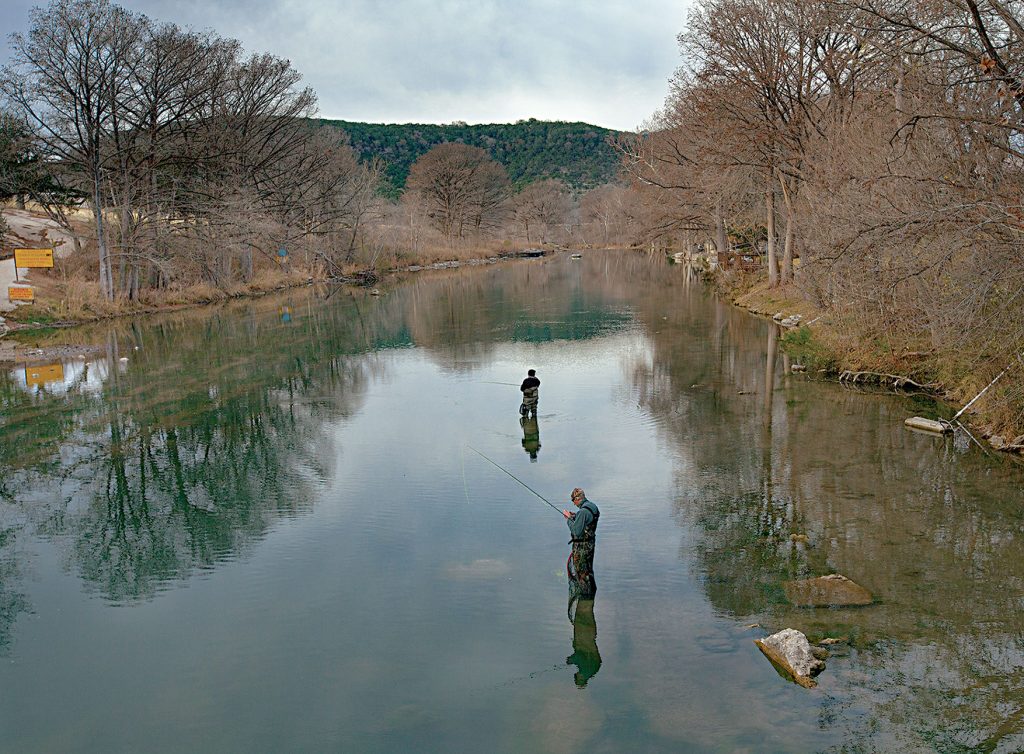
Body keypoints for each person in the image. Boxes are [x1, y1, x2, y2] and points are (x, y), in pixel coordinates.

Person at [563, 487, 599, 599]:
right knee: (588, 570)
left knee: (582, 573)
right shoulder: (592, 506)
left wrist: (568, 519)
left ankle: (585, 597)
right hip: (590, 545)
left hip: (582, 548)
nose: (573, 504)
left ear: (577, 498)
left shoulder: (583, 512)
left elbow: (576, 532)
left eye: (573, 500)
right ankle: (592, 593)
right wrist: (575, 516)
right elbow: (587, 520)